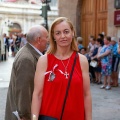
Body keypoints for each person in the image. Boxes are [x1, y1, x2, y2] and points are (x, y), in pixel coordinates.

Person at [31, 17, 92, 120]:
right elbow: (37, 94)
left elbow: (86, 94)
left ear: (72, 33)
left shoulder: (82, 61)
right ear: (53, 37)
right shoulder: (44, 60)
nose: (63, 36)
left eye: (66, 32)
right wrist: (33, 118)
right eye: (58, 33)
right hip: (49, 117)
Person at [5, 25, 48, 120]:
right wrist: (26, 116)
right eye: (46, 37)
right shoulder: (27, 59)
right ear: (39, 39)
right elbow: (24, 92)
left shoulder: (28, 53)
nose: (48, 40)